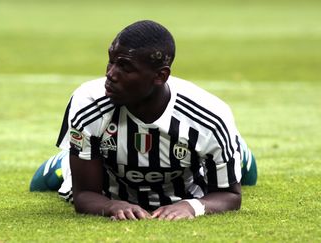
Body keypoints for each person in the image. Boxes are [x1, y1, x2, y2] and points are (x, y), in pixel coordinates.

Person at [30, 20, 257, 221]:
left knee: (247, 172)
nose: (110, 74)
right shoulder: (88, 102)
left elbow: (229, 194)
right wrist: (110, 205)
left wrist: (192, 205)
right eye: (111, 61)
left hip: (186, 181)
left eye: (125, 67)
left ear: (160, 76)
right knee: (40, 184)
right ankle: (66, 157)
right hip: (107, 173)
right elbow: (84, 195)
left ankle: (240, 151)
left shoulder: (209, 116)